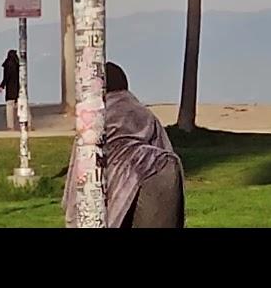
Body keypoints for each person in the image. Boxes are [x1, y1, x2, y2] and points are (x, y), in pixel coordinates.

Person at [62, 62, 185, 228]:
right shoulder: (144, 113)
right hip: (162, 172)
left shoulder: (93, 119)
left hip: (127, 180)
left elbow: (79, 169)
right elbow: (164, 145)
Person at [0, 50, 21, 130]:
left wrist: (1, 86)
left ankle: (11, 126)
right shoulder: (18, 65)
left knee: (9, 108)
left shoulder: (7, 65)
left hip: (10, 90)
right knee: (22, 106)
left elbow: (6, 77)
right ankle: (27, 124)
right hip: (19, 89)